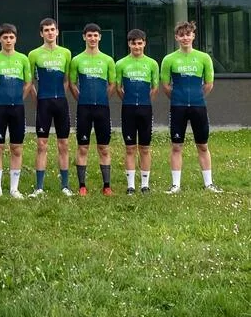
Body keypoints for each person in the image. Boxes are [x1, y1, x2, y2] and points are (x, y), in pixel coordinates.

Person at [160, 20, 222, 194]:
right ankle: (175, 185)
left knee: (203, 145)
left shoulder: (204, 58)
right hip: (177, 107)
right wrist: (178, 98)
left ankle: (209, 184)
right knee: (176, 146)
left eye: (188, 34)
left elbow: (208, 84)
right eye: (181, 35)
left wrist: (196, 97)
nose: (185, 38)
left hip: (198, 107)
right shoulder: (169, 59)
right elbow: (166, 86)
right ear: (176, 37)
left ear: (193, 36)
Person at [27, 18, 73, 197]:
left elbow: (67, 79)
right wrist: (37, 99)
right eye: (46, 30)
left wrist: (61, 95)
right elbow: (30, 82)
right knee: (41, 144)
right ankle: (39, 187)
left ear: (57, 31)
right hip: (43, 102)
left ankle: (65, 186)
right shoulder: (33, 54)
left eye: (52, 29)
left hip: (60, 102)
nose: (50, 33)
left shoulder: (66, 53)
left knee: (64, 144)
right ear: (41, 33)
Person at [69, 23, 116, 196]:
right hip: (84, 109)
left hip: (102, 109)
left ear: (100, 37)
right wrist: (81, 99)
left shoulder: (108, 60)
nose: (93, 38)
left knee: (104, 147)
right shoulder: (77, 60)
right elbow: (72, 83)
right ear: (84, 37)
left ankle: (107, 186)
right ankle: (82, 186)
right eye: (89, 35)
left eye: (96, 35)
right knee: (83, 147)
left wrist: (102, 98)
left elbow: (112, 84)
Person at [0, 23, 32, 199]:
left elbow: (28, 83)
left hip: (17, 108)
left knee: (16, 148)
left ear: (15, 39)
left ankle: (14, 189)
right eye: (5, 37)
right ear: (0, 39)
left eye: (11, 37)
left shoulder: (23, 59)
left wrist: (20, 97)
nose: (8, 40)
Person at [115, 29, 159, 195]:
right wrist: (129, 100)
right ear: (129, 44)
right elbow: (118, 88)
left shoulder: (152, 63)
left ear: (144, 43)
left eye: (140, 43)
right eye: (134, 43)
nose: (137, 47)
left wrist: (145, 102)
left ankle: (145, 185)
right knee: (130, 148)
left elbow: (155, 88)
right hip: (128, 109)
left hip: (145, 109)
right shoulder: (121, 64)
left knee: (145, 148)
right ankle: (131, 186)